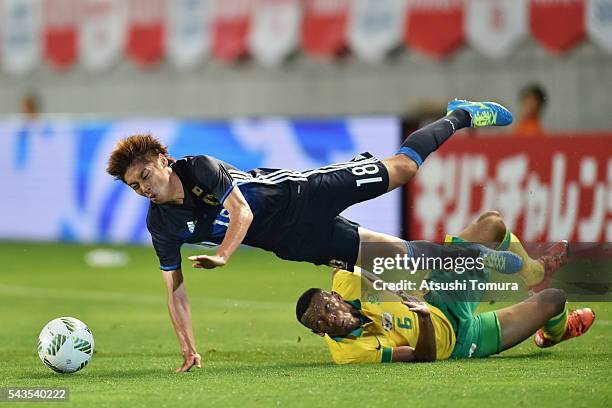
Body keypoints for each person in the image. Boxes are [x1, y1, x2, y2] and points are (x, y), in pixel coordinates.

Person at [106, 99, 515, 371]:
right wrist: (188, 345)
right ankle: (479, 256)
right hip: (294, 242)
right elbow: (174, 288)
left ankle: (459, 115)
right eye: (134, 186)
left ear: (163, 160)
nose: (143, 188)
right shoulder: (160, 224)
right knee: (398, 258)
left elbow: (241, 212)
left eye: (144, 175)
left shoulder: (199, 168)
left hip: (304, 195)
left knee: (404, 171)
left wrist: (225, 255)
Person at [295, 211, 595, 364]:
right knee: (554, 300)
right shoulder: (351, 353)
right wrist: (424, 317)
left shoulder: (347, 283)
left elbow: (345, 252)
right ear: (319, 333)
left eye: (327, 309)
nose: (328, 319)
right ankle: (557, 332)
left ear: (335, 297)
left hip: (441, 294)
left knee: (492, 224)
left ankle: (534, 273)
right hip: (460, 342)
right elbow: (422, 357)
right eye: (319, 324)